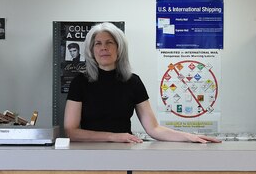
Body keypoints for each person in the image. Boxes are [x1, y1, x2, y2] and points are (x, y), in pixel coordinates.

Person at [63, 22, 221, 144]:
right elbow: (71, 131)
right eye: (98, 43)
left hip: (124, 154)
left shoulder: (133, 81)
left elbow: (154, 128)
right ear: (91, 50)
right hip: (87, 154)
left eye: (109, 43)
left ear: (120, 48)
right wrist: (113, 137)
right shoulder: (80, 82)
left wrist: (189, 137)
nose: (104, 48)